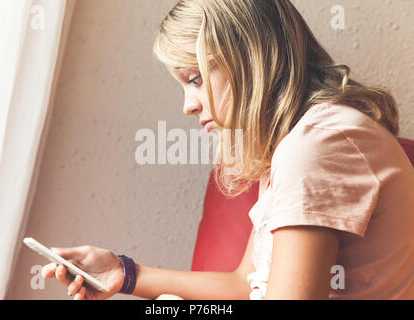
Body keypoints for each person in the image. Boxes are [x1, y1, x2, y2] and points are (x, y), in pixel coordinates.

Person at [42, 0, 414, 300]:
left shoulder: (318, 145)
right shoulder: (300, 144)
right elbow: (244, 284)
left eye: (196, 78)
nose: (187, 105)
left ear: (249, 57)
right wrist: (124, 274)